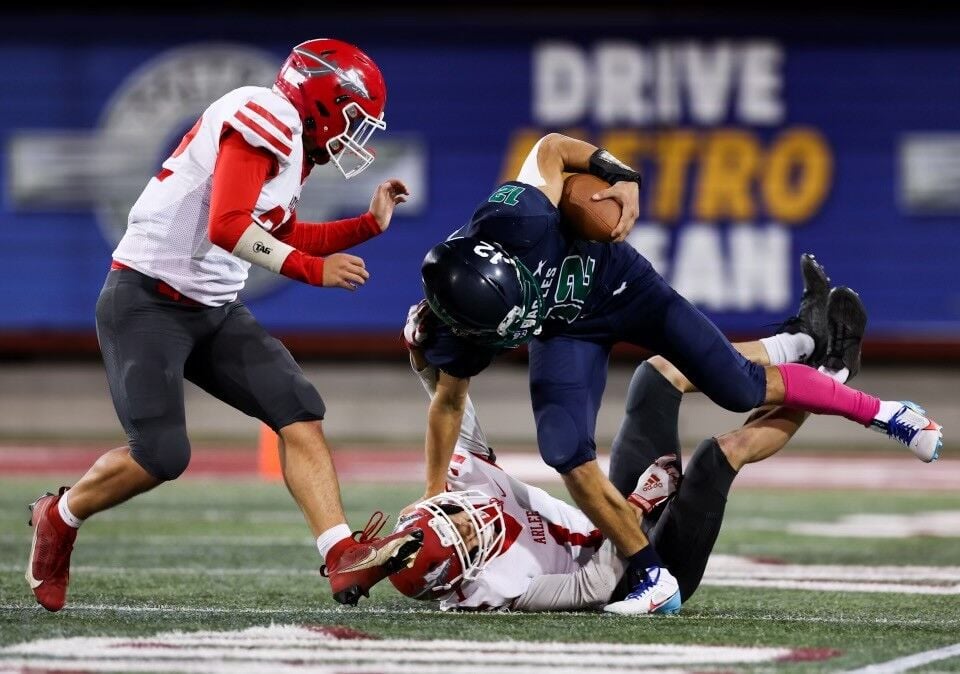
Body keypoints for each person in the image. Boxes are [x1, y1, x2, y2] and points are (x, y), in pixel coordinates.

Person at [407, 132, 943, 614]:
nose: (466, 526)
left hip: (616, 284)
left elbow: (549, 148)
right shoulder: (495, 588)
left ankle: (865, 395)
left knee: (734, 386)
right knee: (567, 450)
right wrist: (638, 516)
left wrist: (620, 173)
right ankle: (653, 573)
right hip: (568, 339)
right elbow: (450, 399)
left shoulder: (516, 219)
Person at [24, 38, 423, 613]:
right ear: (324, 99)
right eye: (355, 116)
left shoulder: (292, 146)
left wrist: (367, 225)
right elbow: (228, 226)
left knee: (298, 407)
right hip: (147, 301)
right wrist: (313, 271)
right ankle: (58, 516)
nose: (356, 134)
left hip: (212, 309)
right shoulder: (264, 116)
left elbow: (280, 232)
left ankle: (339, 554)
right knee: (161, 456)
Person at [390, 278, 872, 613]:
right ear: (458, 576)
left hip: (610, 515)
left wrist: (421, 348)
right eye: (466, 538)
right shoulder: (491, 589)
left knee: (656, 375)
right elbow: (594, 586)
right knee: (719, 455)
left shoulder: (457, 482)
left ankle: (798, 342)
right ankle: (833, 374)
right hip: (636, 572)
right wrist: (639, 504)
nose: (468, 520)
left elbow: (445, 395)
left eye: (451, 517)